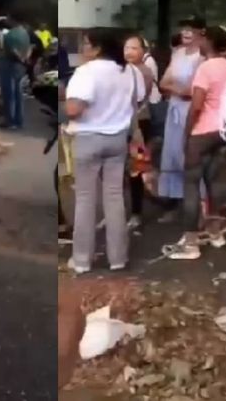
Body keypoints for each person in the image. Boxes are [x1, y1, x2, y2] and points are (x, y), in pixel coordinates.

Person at [64, 29, 147, 274]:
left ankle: (81, 260)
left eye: (86, 44)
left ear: (98, 47)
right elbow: (136, 103)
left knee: (85, 200)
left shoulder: (86, 72)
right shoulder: (130, 71)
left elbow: (73, 109)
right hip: (117, 140)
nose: (83, 49)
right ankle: (118, 258)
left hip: (89, 139)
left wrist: (65, 99)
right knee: (114, 198)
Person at [166, 26, 226, 261]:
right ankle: (215, 233)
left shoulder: (205, 68)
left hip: (202, 131)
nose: (197, 41)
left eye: (201, 38)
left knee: (191, 185)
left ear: (208, 41)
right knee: (212, 181)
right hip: (222, 130)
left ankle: (190, 243)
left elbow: (196, 106)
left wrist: (187, 135)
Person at [158, 19, 207, 219]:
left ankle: (201, 206)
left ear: (200, 32)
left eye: (190, 29)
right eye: (183, 28)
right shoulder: (177, 53)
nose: (185, 32)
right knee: (172, 155)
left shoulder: (201, 58)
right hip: (174, 109)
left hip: (191, 110)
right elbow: (163, 82)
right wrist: (177, 90)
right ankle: (177, 204)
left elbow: (192, 92)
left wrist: (175, 89)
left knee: (189, 156)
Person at [124, 34, 160, 231]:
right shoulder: (121, 70)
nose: (129, 51)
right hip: (121, 124)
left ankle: (137, 213)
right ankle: (120, 212)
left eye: (134, 48)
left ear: (143, 51)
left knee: (136, 168)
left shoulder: (144, 72)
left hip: (139, 124)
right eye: (126, 47)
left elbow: (136, 100)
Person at [0, 15, 32, 130]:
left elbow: (13, 51)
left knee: (9, 94)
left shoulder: (10, 35)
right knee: (19, 94)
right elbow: (29, 48)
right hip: (21, 68)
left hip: (9, 65)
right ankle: (19, 120)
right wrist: (25, 60)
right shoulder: (25, 34)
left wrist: (20, 58)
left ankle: (10, 121)